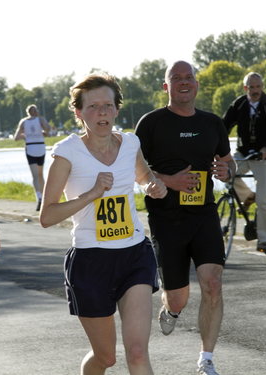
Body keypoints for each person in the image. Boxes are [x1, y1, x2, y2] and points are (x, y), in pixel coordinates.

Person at [39, 73, 167, 375]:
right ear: (79, 112)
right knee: (106, 358)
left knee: (137, 352)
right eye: (94, 107)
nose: (102, 113)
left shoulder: (130, 143)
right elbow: (47, 216)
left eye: (108, 105)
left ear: (117, 109)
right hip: (90, 260)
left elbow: (143, 176)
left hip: (134, 253)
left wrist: (153, 186)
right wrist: (92, 194)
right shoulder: (67, 153)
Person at [135, 61, 235, 375]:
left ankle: (206, 359)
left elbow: (228, 163)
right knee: (178, 298)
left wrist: (226, 172)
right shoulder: (150, 123)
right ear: (166, 86)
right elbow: (136, 172)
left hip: (204, 214)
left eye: (188, 77)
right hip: (166, 220)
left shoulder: (212, 123)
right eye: (175, 78)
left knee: (213, 283)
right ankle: (171, 308)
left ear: (196, 84)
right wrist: (167, 181)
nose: (183, 82)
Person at [222, 72, 266, 251]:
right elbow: (223, 126)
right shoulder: (239, 104)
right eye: (252, 87)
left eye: (258, 87)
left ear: (262, 87)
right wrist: (217, 148)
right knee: (224, 171)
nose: (255, 90)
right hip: (243, 153)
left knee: (264, 198)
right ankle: (247, 196)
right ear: (245, 88)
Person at [14, 104, 50, 211]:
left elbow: (16, 137)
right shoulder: (40, 120)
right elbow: (48, 130)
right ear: (36, 111)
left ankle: (39, 196)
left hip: (31, 147)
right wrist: (42, 132)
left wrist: (26, 136)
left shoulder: (24, 122)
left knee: (35, 175)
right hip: (39, 147)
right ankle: (43, 198)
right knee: (40, 174)